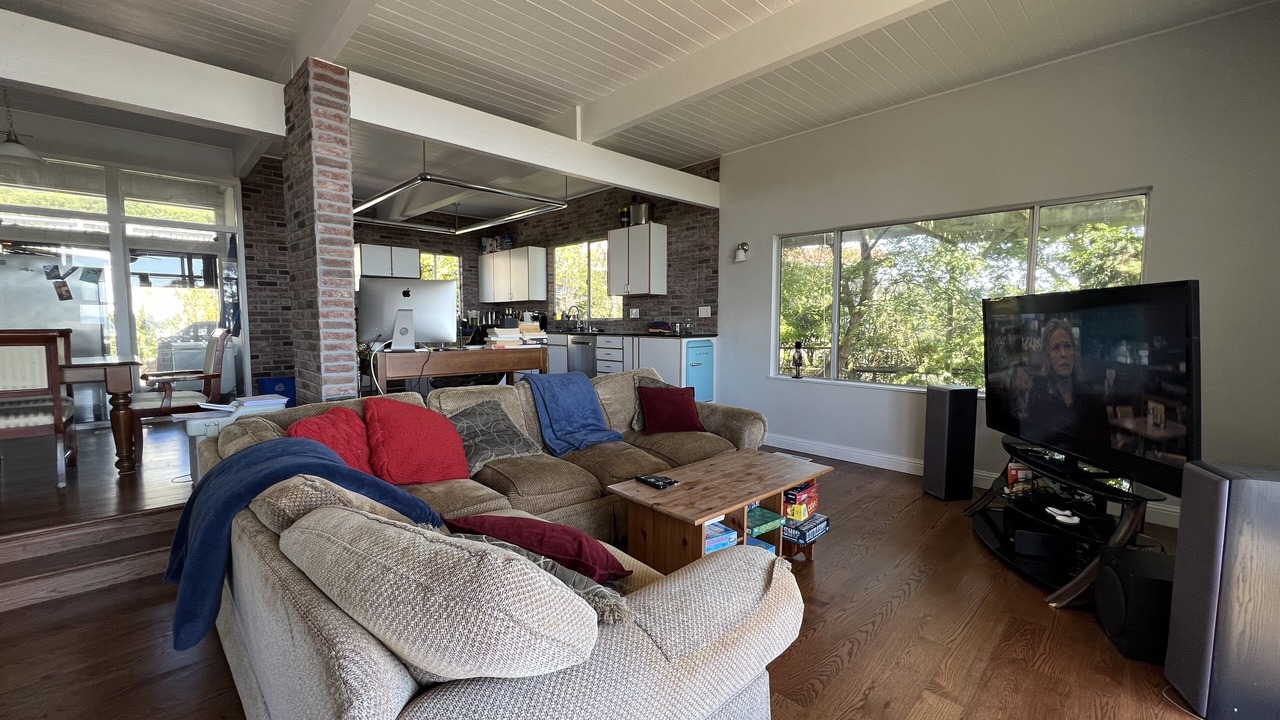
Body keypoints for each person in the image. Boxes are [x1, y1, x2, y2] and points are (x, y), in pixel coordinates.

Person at [1025, 319, 1109, 446]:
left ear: (1074, 352)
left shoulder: (1092, 398)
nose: (1063, 354)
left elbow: (1104, 451)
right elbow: (1031, 446)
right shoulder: (1038, 395)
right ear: (1047, 356)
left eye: (1067, 346)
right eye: (1056, 348)